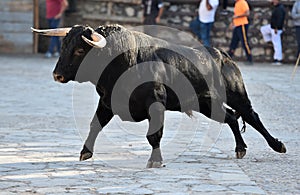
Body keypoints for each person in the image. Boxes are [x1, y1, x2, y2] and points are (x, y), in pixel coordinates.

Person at [260, 0, 285, 65]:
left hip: (276, 28)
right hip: (272, 27)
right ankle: (269, 40)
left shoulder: (280, 9)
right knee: (263, 29)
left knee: (277, 44)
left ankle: (278, 59)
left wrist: (276, 28)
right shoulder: (276, 7)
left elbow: (280, 19)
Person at [227, 0, 253, 65]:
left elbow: (247, 13)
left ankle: (249, 58)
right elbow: (236, 14)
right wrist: (233, 22)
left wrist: (237, 16)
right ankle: (228, 58)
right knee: (234, 42)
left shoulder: (242, 2)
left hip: (242, 24)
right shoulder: (237, 3)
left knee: (244, 42)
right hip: (237, 25)